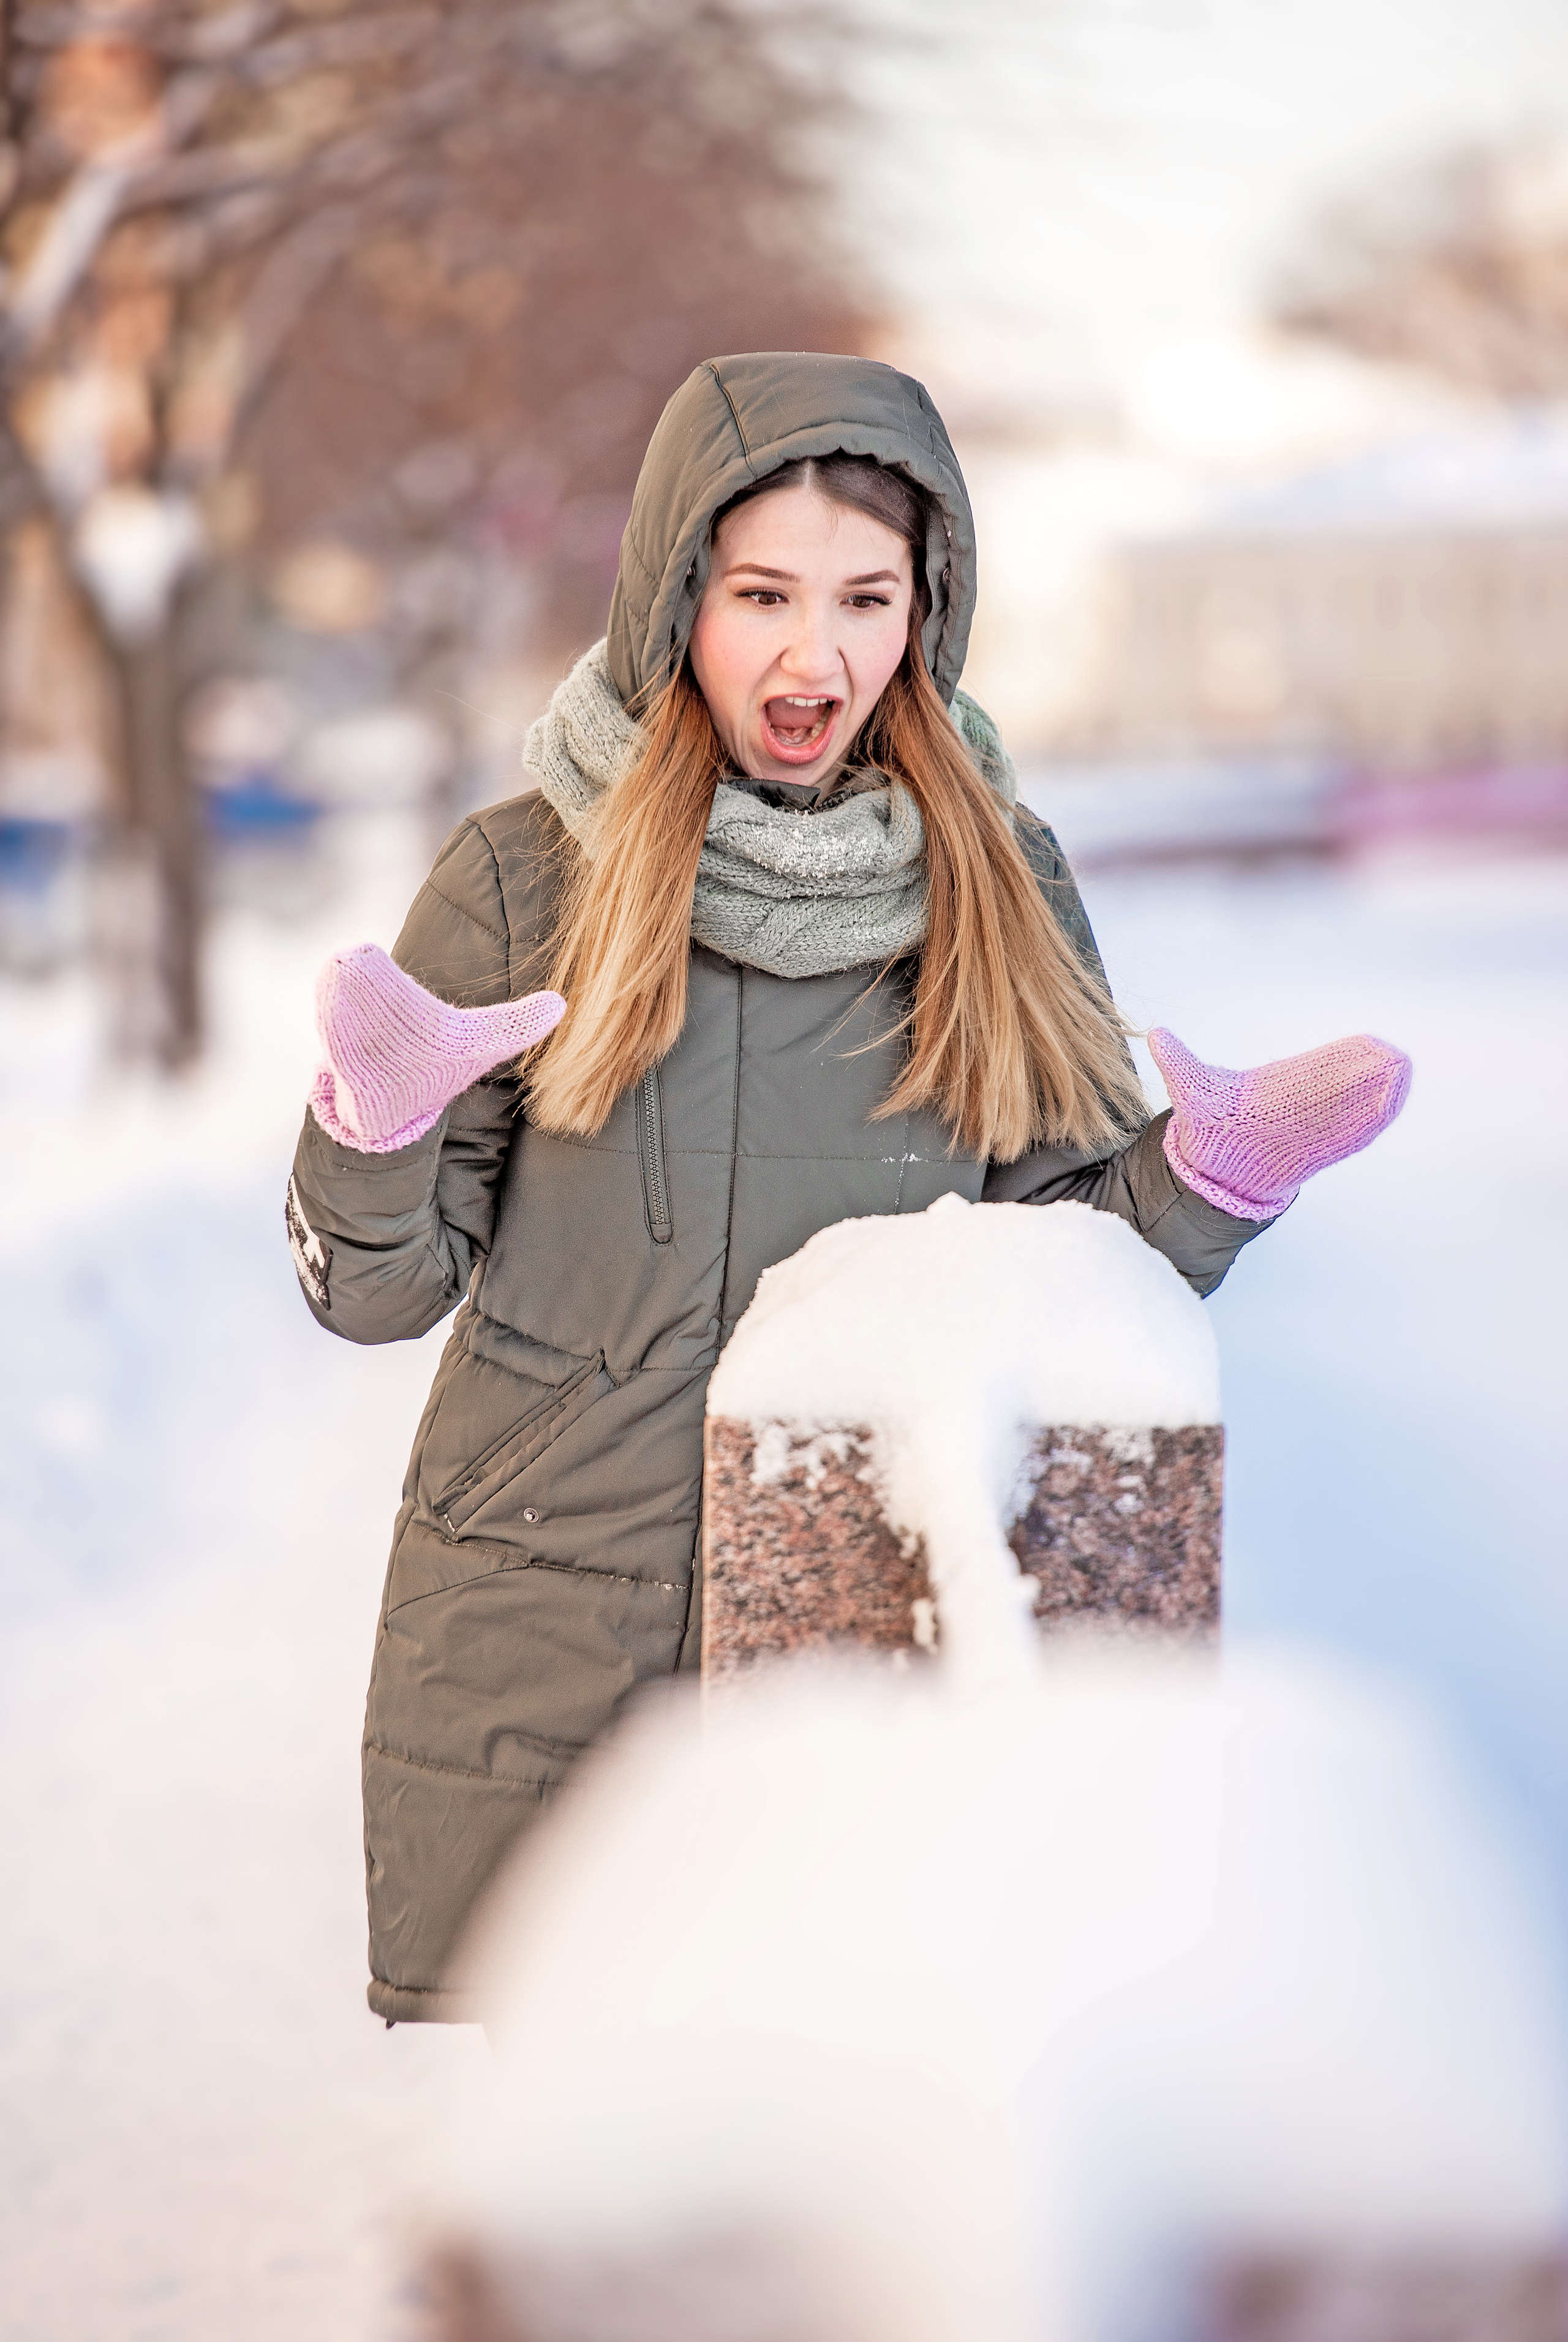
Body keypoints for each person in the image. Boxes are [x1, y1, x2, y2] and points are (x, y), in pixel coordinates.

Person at [285, 352, 1411, 2024]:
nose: (819, 652)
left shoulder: (999, 885)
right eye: (763, 594)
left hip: (875, 1635)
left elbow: (1060, 1285)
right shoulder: (530, 877)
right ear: (678, 596)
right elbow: (369, 1294)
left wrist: (1199, 1182)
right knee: (577, 2217)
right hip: (542, 1635)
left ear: (927, 610)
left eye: (867, 597)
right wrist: (372, 1133)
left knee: (836, 2173)